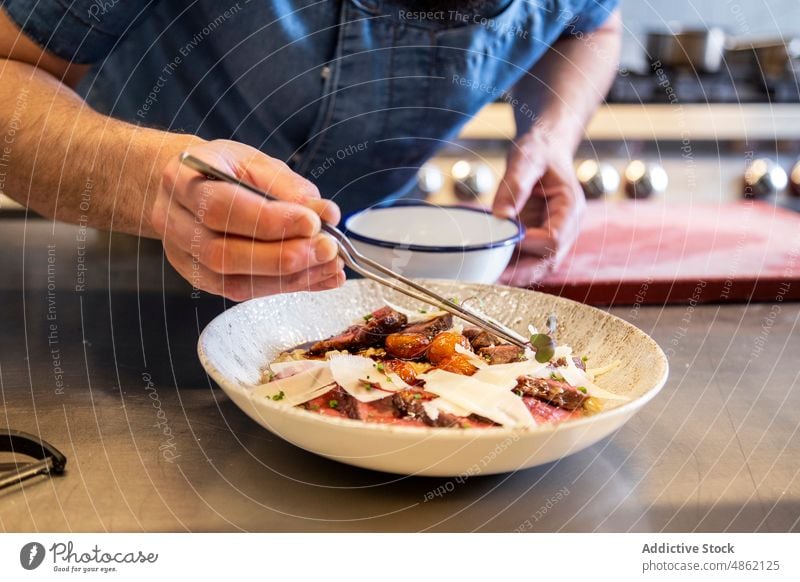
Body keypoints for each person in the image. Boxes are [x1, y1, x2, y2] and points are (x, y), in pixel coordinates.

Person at [0, 0, 621, 299]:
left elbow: (594, 27)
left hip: (374, 278)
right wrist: (154, 186)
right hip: (126, 268)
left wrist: (552, 134)